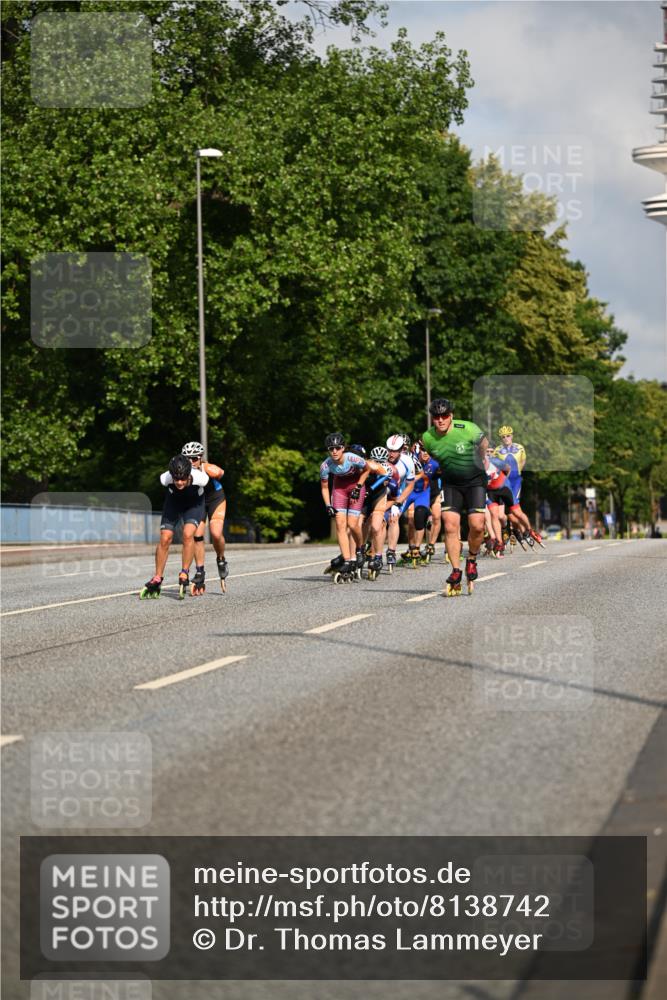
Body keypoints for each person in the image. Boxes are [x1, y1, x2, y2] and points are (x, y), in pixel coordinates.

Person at [421, 398, 488, 595]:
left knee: (477, 525)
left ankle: (472, 558)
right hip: (451, 485)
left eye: (444, 416)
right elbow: (433, 457)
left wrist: (478, 460)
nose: (440, 420)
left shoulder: (467, 428)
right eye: (436, 417)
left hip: (475, 482)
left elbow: (484, 443)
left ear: (451, 416)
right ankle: (456, 570)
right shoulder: (428, 437)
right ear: (432, 418)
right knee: (450, 525)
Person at [140, 455, 209, 599]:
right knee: (165, 538)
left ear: (189, 475)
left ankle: (184, 572)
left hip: (194, 505)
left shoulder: (201, 478)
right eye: (176, 479)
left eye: (183, 479)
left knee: (188, 534)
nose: (179, 482)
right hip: (174, 503)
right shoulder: (165, 478)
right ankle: (157, 577)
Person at [319, 433, 385, 580]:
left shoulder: (352, 458)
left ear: (343, 448)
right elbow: (324, 487)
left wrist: (359, 486)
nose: (334, 451)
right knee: (340, 524)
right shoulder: (325, 465)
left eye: (338, 448)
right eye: (331, 449)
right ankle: (348, 560)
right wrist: (328, 505)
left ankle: (360, 548)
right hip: (339, 490)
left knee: (353, 524)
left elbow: (367, 469)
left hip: (355, 487)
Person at [181, 441, 228, 593]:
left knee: (216, 533)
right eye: (187, 459)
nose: (191, 462)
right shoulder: (181, 470)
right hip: (199, 502)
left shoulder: (204, 467)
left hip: (215, 499)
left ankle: (221, 558)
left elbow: (220, 472)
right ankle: (200, 572)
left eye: (194, 458)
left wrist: (213, 471)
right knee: (197, 536)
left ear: (200, 458)